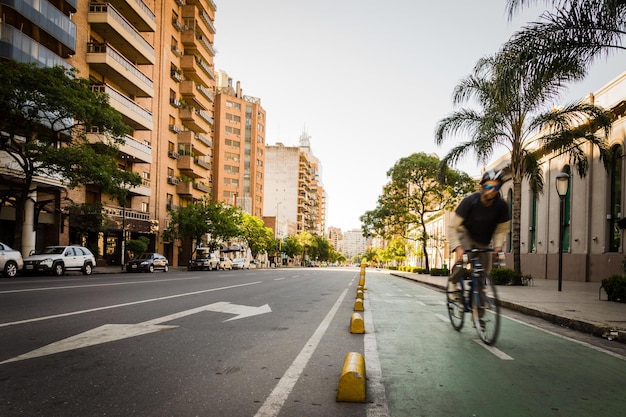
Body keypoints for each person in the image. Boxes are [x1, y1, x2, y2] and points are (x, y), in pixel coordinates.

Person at [447, 169, 510, 288]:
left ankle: (477, 304)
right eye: (488, 186)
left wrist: (498, 246)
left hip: (483, 241)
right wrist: (458, 247)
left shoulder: (502, 206)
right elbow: (452, 227)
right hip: (466, 235)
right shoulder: (469, 201)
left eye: (496, 188)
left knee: (483, 274)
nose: (491, 190)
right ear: (482, 186)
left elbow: (502, 230)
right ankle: (452, 282)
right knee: (466, 258)